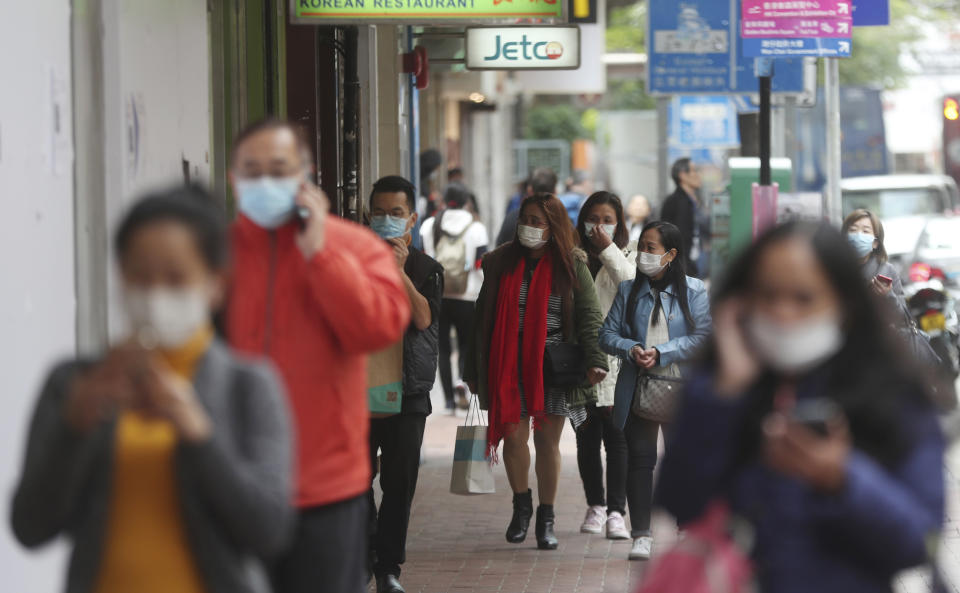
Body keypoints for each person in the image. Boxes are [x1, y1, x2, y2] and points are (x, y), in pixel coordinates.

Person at [11, 187, 294, 593]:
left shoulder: (248, 386)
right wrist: (74, 426)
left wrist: (199, 434)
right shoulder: (74, 383)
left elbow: (268, 530)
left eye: (176, 277)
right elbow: (30, 528)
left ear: (216, 284)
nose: (155, 292)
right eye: (139, 275)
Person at [656, 222, 945, 592]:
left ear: (845, 304)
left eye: (803, 298)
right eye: (767, 295)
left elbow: (919, 542)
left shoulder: (893, 392)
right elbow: (679, 498)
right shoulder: (723, 387)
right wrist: (723, 394)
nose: (782, 312)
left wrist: (843, 478)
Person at [226, 118, 411, 593]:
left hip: (325, 484)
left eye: (279, 168)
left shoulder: (355, 246)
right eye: (253, 169)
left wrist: (322, 255)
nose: (266, 180)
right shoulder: (217, 254)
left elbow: (379, 326)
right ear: (234, 177)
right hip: (235, 483)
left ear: (305, 174)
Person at [464, 193, 609, 551]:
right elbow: (481, 319)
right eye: (525, 220)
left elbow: (590, 316)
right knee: (514, 438)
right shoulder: (499, 262)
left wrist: (595, 359)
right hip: (507, 362)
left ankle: (546, 516)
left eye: (537, 221)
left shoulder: (573, 264)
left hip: (554, 366)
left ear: (554, 226)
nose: (529, 227)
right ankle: (521, 506)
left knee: (547, 442)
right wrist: (472, 368)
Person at [598, 221, 712, 560]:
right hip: (640, 386)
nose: (643, 254)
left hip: (683, 390)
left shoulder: (694, 290)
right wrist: (632, 348)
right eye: (642, 246)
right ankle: (642, 535)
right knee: (641, 459)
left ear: (671, 254)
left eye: (651, 247)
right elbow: (607, 335)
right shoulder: (628, 290)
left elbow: (705, 336)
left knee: (683, 461)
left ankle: (686, 529)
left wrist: (664, 352)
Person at [366, 176, 443, 593]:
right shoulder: (352, 261)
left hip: (408, 391)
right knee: (357, 478)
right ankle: (367, 548)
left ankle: (388, 567)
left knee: (399, 484)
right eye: (379, 213)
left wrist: (397, 271)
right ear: (368, 216)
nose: (387, 221)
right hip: (360, 389)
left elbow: (423, 319)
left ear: (412, 218)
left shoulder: (427, 269)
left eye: (396, 213)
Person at [573, 192, 638, 541]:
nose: (598, 225)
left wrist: (608, 249)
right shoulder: (572, 257)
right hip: (580, 360)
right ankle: (595, 505)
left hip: (616, 363)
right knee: (586, 439)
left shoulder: (628, 254)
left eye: (607, 219)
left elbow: (631, 285)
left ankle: (617, 512)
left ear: (619, 223)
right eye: (593, 218)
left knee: (618, 439)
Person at [421, 183, 489, 412]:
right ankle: (462, 381)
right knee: (466, 344)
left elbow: (424, 258)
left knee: (443, 348)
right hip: (467, 295)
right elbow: (481, 264)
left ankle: (449, 401)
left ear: (444, 201)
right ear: (466, 202)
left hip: (437, 295)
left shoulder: (430, 225)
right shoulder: (476, 227)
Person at [842, 209, 905, 305]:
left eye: (865, 231)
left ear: (875, 243)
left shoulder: (887, 271)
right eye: (853, 230)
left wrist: (888, 295)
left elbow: (902, 316)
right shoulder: (834, 270)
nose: (859, 235)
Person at [660, 158, 703, 277]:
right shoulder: (677, 202)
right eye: (695, 170)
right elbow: (679, 237)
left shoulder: (692, 201)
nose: (699, 175)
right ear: (683, 175)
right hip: (681, 267)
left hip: (692, 262)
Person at [497, 168, 559, 247]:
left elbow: (499, 249)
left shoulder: (512, 218)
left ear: (529, 190)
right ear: (555, 192)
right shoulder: (563, 221)